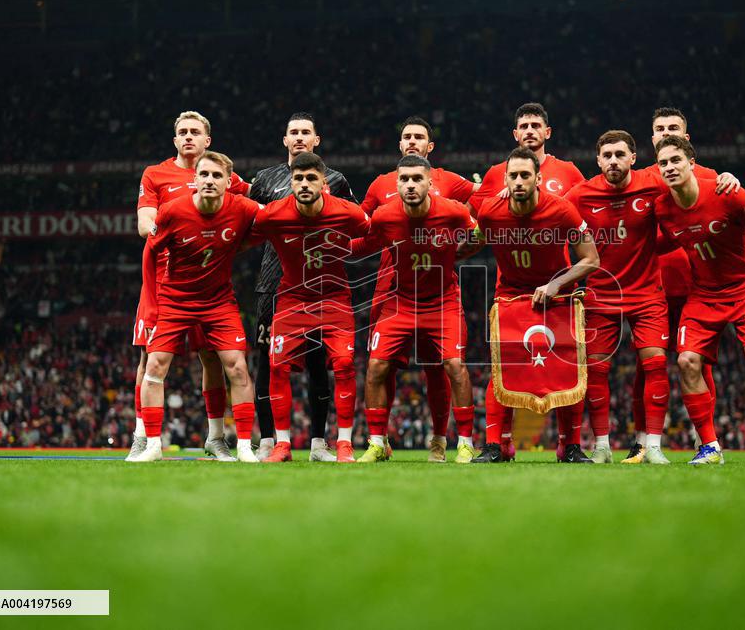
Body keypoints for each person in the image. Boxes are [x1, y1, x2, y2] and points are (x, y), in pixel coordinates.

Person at [618, 106, 741, 463]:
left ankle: (706, 440)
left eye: (673, 127)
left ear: (687, 139)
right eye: (659, 128)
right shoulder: (639, 179)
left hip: (694, 286)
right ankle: (643, 442)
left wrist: (731, 176)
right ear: (651, 137)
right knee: (647, 365)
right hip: (650, 286)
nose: (665, 132)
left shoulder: (707, 176)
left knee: (698, 363)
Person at [463, 147, 600, 463]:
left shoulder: (562, 210)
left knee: (567, 373)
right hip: (510, 297)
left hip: (558, 298)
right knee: (502, 371)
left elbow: (592, 259)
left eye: (526, 175)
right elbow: (470, 244)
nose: (519, 181)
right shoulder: (490, 211)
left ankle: (570, 447)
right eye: (513, 175)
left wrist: (555, 284)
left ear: (539, 178)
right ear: (505, 179)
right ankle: (498, 446)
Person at [654, 136, 745, 465]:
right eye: (663, 163)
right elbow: (662, 244)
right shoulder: (663, 209)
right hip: (704, 293)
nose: (669, 167)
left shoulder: (727, 191)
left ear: (692, 164)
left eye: (675, 161)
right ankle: (710, 448)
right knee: (686, 363)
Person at [130, 110, 250, 462]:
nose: (188, 137)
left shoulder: (222, 173)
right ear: (174, 139)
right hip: (164, 280)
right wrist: (177, 230)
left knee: (212, 356)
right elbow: (144, 223)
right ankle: (142, 435)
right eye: (182, 132)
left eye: (195, 132)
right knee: (148, 358)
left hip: (209, 282)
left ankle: (216, 438)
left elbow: (246, 205)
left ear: (207, 140)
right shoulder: (156, 174)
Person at [360, 116, 475, 461]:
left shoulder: (452, 203)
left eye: (416, 180)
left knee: (452, 367)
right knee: (378, 367)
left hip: (442, 300)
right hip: (397, 297)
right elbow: (361, 235)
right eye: (404, 180)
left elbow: (480, 224)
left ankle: (461, 442)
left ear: (429, 181)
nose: (410, 185)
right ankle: (378, 443)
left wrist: (454, 251)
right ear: (397, 182)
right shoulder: (383, 209)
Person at [247, 112, 356, 462]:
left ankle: (318, 442)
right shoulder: (265, 179)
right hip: (273, 283)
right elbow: (246, 219)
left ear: (316, 140)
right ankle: (269, 440)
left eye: (305, 132)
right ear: (284, 139)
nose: (298, 137)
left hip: (322, 286)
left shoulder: (335, 181)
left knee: (318, 363)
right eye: (292, 131)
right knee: (268, 360)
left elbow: (355, 219)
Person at [564, 130, 671, 464]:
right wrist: (571, 279)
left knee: (655, 363)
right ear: (597, 160)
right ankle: (602, 446)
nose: (613, 160)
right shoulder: (580, 194)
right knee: (596, 371)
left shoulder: (653, 186)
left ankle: (652, 445)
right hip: (600, 295)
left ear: (633, 158)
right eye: (606, 155)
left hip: (646, 293)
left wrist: (724, 178)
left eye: (619, 154)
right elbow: (552, 226)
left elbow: (690, 194)